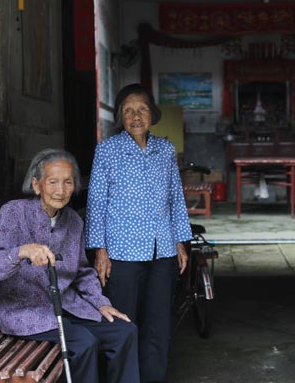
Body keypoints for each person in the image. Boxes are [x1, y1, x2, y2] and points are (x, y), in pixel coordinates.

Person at [0, 148, 139, 383]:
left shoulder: (73, 221)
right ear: (36, 184)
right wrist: (21, 252)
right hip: (26, 312)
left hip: (67, 307)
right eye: (52, 182)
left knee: (125, 332)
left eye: (68, 182)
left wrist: (101, 304)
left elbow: (82, 272)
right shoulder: (14, 212)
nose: (60, 190)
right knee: (84, 344)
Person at [85, 83, 192, 382]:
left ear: (152, 114)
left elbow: (175, 199)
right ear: (120, 115)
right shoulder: (108, 150)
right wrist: (100, 250)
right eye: (128, 110)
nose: (135, 116)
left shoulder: (165, 149)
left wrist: (181, 242)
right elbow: (96, 202)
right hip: (122, 251)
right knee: (123, 322)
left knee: (157, 322)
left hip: (162, 249)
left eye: (141, 109)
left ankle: (153, 377)